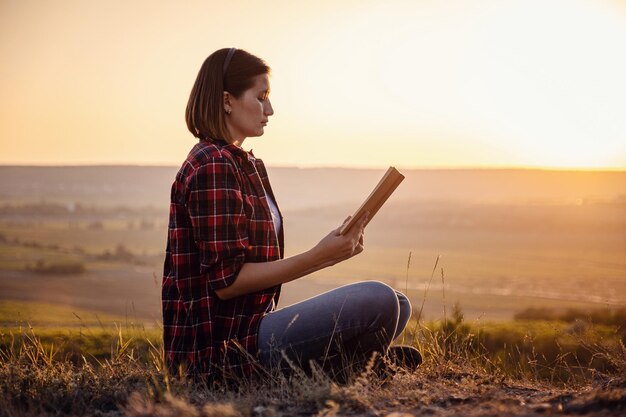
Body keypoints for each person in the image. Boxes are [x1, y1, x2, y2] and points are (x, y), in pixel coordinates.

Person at [162, 48, 421, 384]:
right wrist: (320, 257)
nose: (270, 109)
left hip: (252, 330)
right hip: (221, 354)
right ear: (227, 100)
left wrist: (329, 252)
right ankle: (347, 366)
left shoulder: (243, 163)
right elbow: (227, 284)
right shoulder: (213, 164)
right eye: (261, 97)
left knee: (397, 304)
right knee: (379, 299)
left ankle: (344, 365)